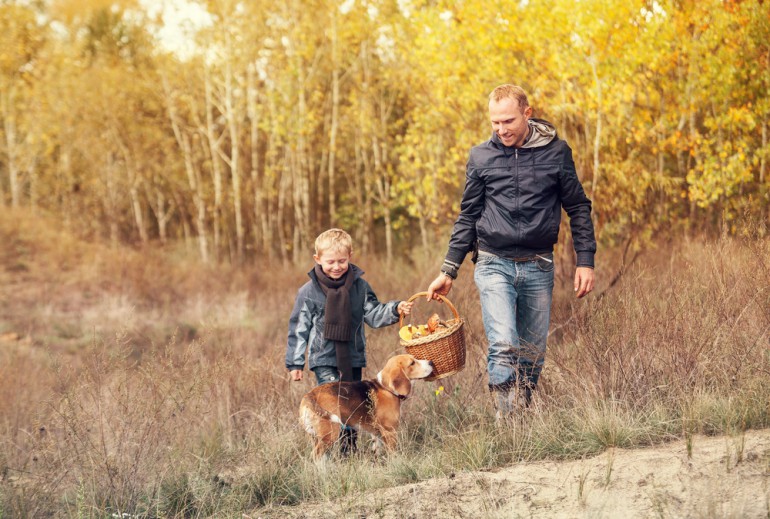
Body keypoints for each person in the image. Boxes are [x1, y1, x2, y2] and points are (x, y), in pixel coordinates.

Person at [426, 84, 596, 418]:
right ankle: (507, 423)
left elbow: (578, 207)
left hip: (539, 264)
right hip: (493, 263)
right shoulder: (481, 157)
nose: (501, 129)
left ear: (527, 113)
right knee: (503, 344)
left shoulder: (557, 153)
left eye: (508, 121)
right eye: (495, 123)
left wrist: (585, 261)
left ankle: (523, 411)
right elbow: (468, 215)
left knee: (532, 353)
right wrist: (448, 270)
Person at [286, 228, 413, 453]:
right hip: (324, 359)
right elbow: (299, 328)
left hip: (352, 357)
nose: (337, 266)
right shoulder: (308, 292)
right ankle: (329, 449)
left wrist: (395, 309)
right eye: (330, 261)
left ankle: (349, 452)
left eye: (342, 261)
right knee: (335, 405)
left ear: (350, 256)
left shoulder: (360, 287)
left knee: (354, 407)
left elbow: (374, 314)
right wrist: (295, 363)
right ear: (317, 259)